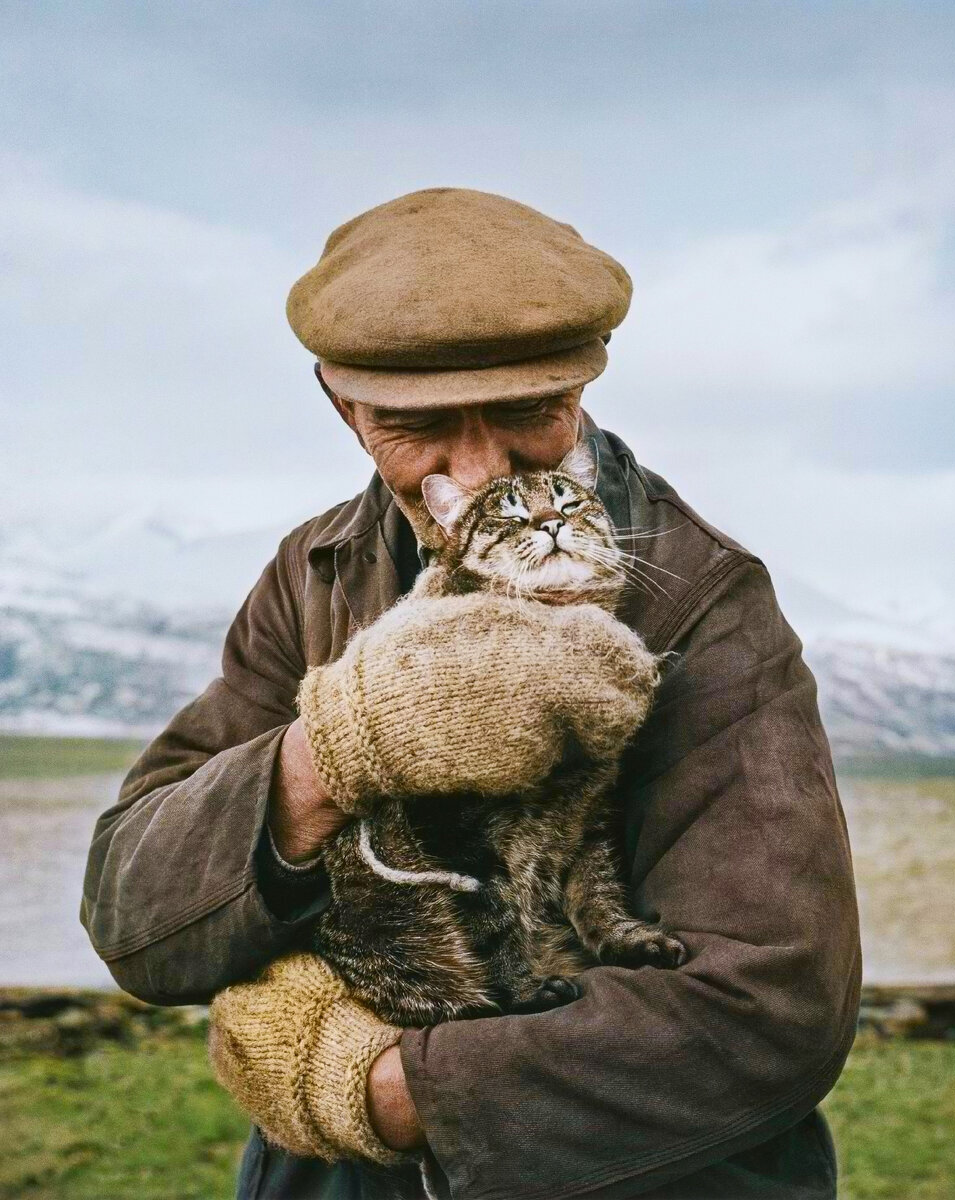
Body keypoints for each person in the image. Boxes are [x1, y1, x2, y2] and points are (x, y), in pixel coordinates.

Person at [81, 188, 861, 1200]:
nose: (481, 467)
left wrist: (378, 1089)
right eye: (419, 425)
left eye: (530, 411)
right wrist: (336, 747)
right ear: (342, 404)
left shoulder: (706, 596)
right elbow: (131, 911)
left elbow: (772, 1012)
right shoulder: (312, 568)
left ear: (582, 383)